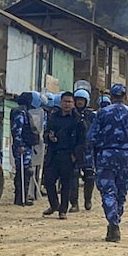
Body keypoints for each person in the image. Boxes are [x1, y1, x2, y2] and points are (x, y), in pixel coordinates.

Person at [87, 83, 128, 242]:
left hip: (105, 155)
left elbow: (91, 137)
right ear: (125, 97)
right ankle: (115, 220)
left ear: (111, 97)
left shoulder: (102, 113)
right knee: (121, 192)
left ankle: (113, 223)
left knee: (108, 191)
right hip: (125, 156)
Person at [42, 91, 86, 219]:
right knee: (48, 181)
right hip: (53, 154)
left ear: (73, 104)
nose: (67, 104)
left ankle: (63, 210)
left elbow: (82, 141)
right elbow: (46, 133)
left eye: (70, 102)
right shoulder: (53, 117)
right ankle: (54, 204)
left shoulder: (78, 120)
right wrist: (49, 137)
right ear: (61, 103)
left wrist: (75, 155)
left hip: (68, 155)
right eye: (65, 102)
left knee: (66, 184)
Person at [10, 91, 41, 206]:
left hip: (25, 145)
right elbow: (17, 130)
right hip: (22, 146)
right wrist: (19, 145)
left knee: (24, 170)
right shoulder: (20, 113)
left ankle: (22, 195)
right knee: (24, 171)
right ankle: (21, 197)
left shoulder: (23, 112)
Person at [69, 88, 97, 212]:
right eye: (78, 100)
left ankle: (88, 200)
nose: (80, 102)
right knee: (73, 176)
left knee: (89, 176)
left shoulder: (92, 115)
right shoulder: (71, 114)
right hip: (74, 149)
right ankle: (74, 203)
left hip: (88, 150)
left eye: (82, 100)